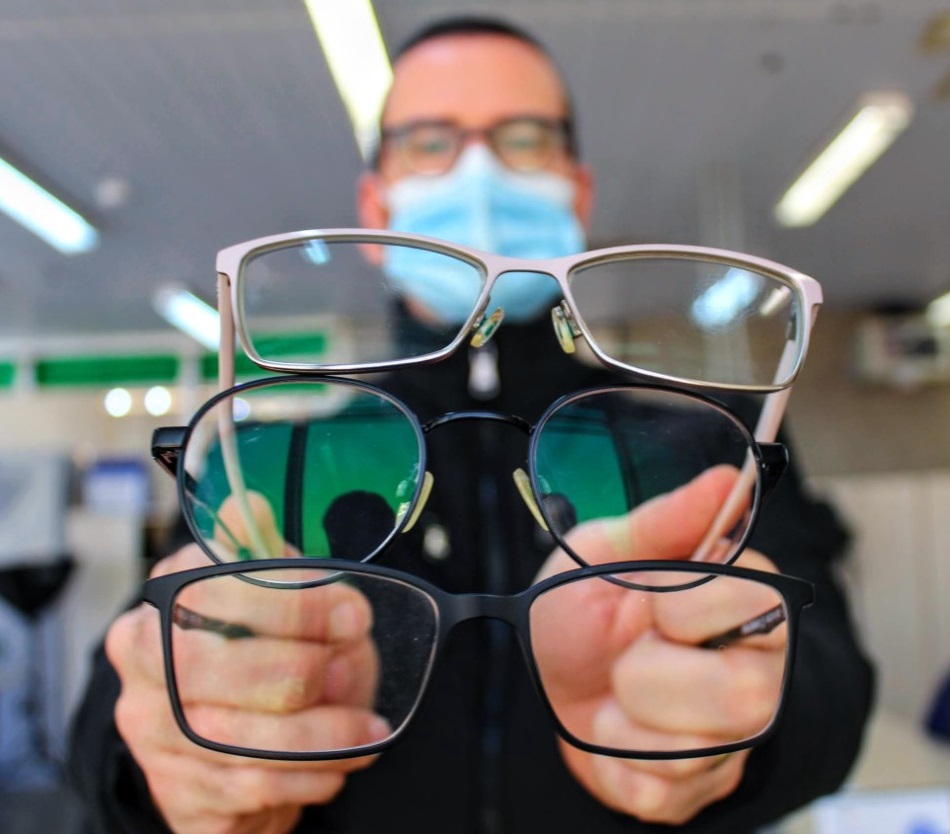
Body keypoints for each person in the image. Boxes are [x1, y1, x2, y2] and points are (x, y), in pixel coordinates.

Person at [67, 16, 874, 834]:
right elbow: (120, 703)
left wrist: (734, 726)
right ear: (375, 206)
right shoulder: (268, 459)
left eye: (523, 138)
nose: (478, 171)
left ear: (577, 194)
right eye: (430, 142)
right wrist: (175, 764)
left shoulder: (712, 441)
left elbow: (834, 681)